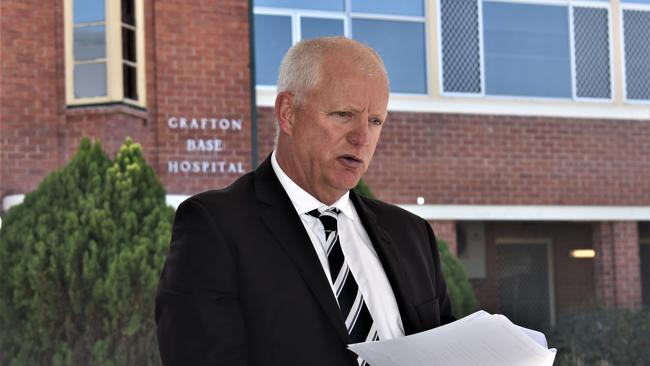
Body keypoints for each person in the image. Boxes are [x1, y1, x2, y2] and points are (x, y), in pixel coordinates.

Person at [155, 36, 454, 366]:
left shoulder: (412, 235)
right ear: (288, 113)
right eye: (343, 114)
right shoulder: (214, 228)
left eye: (374, 121)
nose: (361, 138)